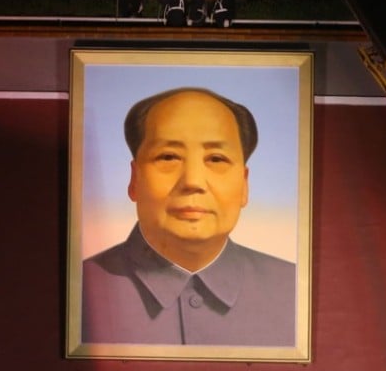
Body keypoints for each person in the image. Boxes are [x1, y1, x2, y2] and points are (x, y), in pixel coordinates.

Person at [81, 87, 296, 347]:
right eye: (169, 157)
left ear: (244, 184)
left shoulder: (294, 291)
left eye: (216, 159)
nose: (193, 181)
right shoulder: (79, 289)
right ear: (134, 179)